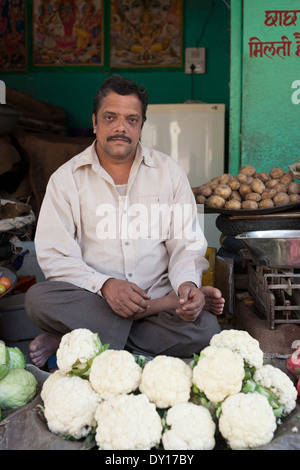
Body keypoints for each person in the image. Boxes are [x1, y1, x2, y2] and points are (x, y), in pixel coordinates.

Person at [25, 75, 225, 368]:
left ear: (142, 126)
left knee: (207, 331)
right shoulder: (66, 179)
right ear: (95, 122)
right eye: (110, 117)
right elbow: (55, 257)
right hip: (94, 300)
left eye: (132, 119)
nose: (121, 127)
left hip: (157, 307)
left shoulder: (169, 173)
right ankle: (118, 338)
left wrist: (185, 287)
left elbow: (186, 243)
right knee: (38, 299)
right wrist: (105, 285)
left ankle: (78, 338)